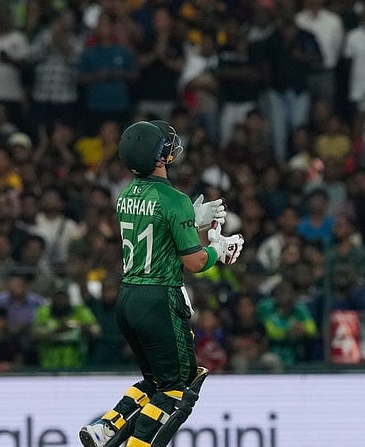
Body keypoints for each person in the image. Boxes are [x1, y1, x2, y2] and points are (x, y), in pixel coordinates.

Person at [79, 119, 245, 447]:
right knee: (178, 388)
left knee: (154, 381)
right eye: (164, 146)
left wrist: (191, 221)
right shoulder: (175, 200)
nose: (170, 149)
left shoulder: (126, 194)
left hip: (128, 296)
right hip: (159, 298)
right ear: (157, 157)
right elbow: (195, 262)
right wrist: (218, 249)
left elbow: (155, 228)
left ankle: (107, 426)